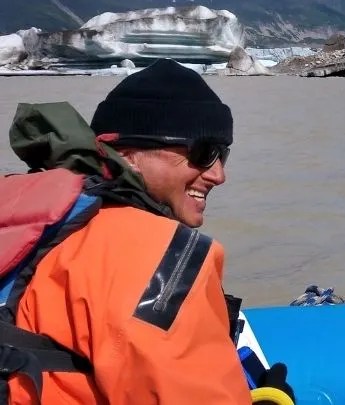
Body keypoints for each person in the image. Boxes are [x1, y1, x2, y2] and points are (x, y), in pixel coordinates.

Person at [1, 58, 294, 404]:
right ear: (128, 154)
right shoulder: (159, 258)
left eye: (223, 154)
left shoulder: (27, 208)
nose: (218, 175)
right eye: (204, 153)